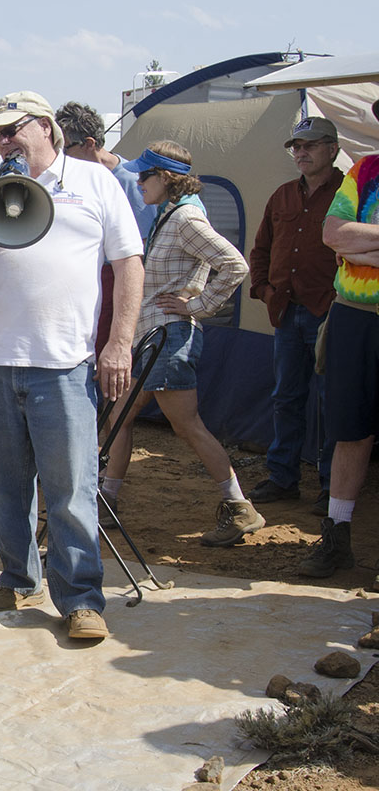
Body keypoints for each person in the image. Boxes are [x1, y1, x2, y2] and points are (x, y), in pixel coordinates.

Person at [0, 91, 144, 641]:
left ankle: (79, 599)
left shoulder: (95, 182)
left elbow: (129, 264)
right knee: (4, 488)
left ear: (47, 127)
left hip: (64, 363)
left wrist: (119, 343)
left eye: (12, 131)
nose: (0, 143)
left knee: (71, 486)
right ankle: (18, 577)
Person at [101, 141, 258, 548]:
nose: (137, 181)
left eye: (145, 175)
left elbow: (234, 264)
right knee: (121, 412)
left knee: (186, 426)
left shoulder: (186, 218)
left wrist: (199, 305)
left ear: (166, 178)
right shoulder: (167, 215)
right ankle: (107, 498)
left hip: (170, 337)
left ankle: (239, 506)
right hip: (152, 337)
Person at [246, 117, 343, 518]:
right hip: (287, 312)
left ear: (332, 149)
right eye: (296, 147)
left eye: (310, 145)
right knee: (286, 397)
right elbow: (261, 250)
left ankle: (330, 486)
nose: (301, 153)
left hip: (332, 314)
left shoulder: (348, 194)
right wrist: (266, 291)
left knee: (331, 402)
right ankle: (283, 477)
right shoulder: (283, 195)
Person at [299, 98, 379, 581]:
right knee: (348, 430)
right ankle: (337, 538)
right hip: (353, 316)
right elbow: (333, 233)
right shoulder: (366, 170)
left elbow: (350, 237)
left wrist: (363, 241)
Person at [56, 101, 157, 359]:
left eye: (64, 148)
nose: (59, 156)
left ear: (89, 143)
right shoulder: (67, 178)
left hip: (112, 279)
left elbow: (137, 253)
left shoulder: (132, 181)